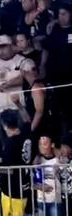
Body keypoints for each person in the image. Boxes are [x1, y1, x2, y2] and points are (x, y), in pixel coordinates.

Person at [0, 35, 26, 152]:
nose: (1, 51)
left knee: (21, 143)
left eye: (3, 47)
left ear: (11, 46)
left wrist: (9, 84)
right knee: (5, 144)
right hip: (0, 109)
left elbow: (26, 77)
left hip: (17, 108)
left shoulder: (21, 60)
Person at [43, 2, 72, 139]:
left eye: (64, 14)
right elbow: (46, 48)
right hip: (56, 75)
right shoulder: (54, 29)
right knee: (58, 111)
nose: (61, 17)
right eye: (59, 14)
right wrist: (42, 65)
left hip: (70, 77)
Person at [15, 58, 47, 142]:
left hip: (44, 131)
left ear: (24, 72)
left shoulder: (36, 88)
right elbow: (29, 117)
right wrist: (18, 103)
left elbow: (39, 112)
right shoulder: (30, 87)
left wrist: (30, 133)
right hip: (37, 128)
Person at [32, 135, 62, 216]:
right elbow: (32, 182)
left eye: (45, 143)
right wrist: (41, 187)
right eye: (40, 144)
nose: (42, 146)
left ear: (51, 145)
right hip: (41, 200)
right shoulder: (37, 160)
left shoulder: (57, 160)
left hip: (55, 200)